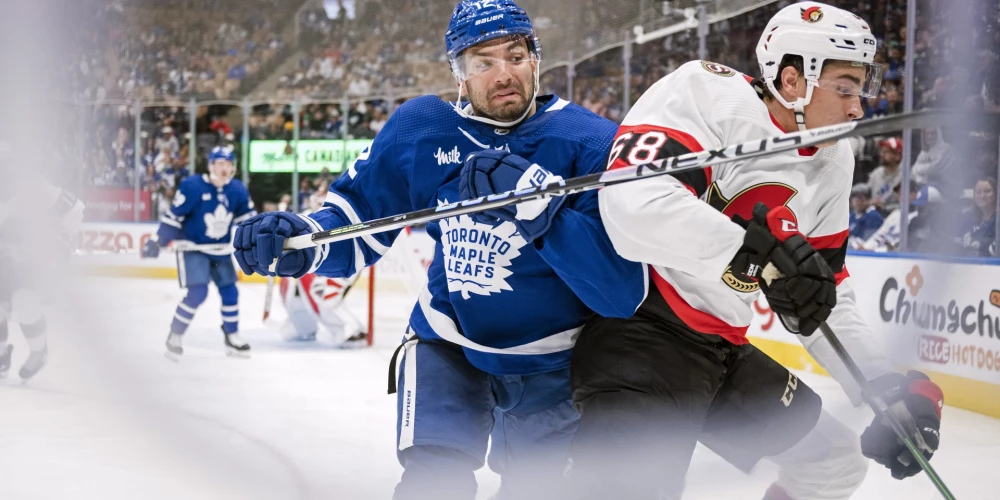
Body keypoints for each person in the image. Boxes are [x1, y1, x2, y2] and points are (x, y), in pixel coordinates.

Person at [230, 1, 646, 498]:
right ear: (459, 76)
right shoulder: (421, 128)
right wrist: (302, 240)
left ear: (536, 60)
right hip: (447, 343)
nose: (504, 74)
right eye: (483, 62)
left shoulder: (593, 141)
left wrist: (543, 212)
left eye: (516, 56)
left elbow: (622, 292)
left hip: (557, 361)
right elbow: (356, 219)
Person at [568, 3, 944, 499]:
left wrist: (880, 386)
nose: (858, 108)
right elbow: (632, 204)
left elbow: (821, 290)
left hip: (722, 351)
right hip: (640, 340)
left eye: (862, 90)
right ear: (793, 81)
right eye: (846, 89)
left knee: (834, 463)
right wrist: (757, 253)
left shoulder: (835, 156)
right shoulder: (704, 92)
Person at [142, 146, 256, 359]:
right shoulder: (192, 186)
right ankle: (175, 335)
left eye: (228, 164)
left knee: (230, 291)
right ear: (211, 165)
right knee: (198, 292)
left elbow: (248, 222)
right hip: (193, 249)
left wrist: (261, 240)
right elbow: (174, 217)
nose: (224, 168)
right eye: (220, 163)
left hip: (220, 250)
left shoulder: (237, 190)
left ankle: (231, 337)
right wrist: (158, 240)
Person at [0, 143, 85, 382]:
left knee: (25, 304)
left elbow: (74, 207)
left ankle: (39, 352)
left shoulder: (33, 185)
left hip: (33, 260)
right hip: (7, 259)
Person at [276, 272, 367, 346]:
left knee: (322, 292)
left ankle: (351, 331)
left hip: (340, 257)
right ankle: (303, 327)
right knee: (291, 288)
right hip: (313, 259)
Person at [957, 178, 997, 256]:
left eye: (988, 191)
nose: (982, 196)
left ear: (996, 194)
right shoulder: (967, 218)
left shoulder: (997, 222)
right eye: (978, 192)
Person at [867, 136, 903, 213]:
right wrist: (872, 202)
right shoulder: (875, 173)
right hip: (874, 215)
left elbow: (907, 203)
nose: (882, 155)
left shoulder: (905, 175)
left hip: (895, 216)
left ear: (897, 156)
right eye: (881, 151)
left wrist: (884, 207)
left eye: (886, 152)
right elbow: (866, 198)